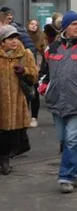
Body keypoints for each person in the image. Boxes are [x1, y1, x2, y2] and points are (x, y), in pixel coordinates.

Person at [38, 12, 77, 193]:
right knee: (65, 140)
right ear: (65, 27)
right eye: (74, 24)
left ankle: (65, 177)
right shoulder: (52, 48)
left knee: (72, 140)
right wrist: (44, 88)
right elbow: (44, 72)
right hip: (57, 101)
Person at [0, 25, 38, 175]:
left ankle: (5, 159)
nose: (14, 41)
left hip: (17, 100)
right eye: (10, 38)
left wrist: (25, 71)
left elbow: (34, 76)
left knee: (12, 134)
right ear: (2, 42)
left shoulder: (25, 54)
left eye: (16, 37)